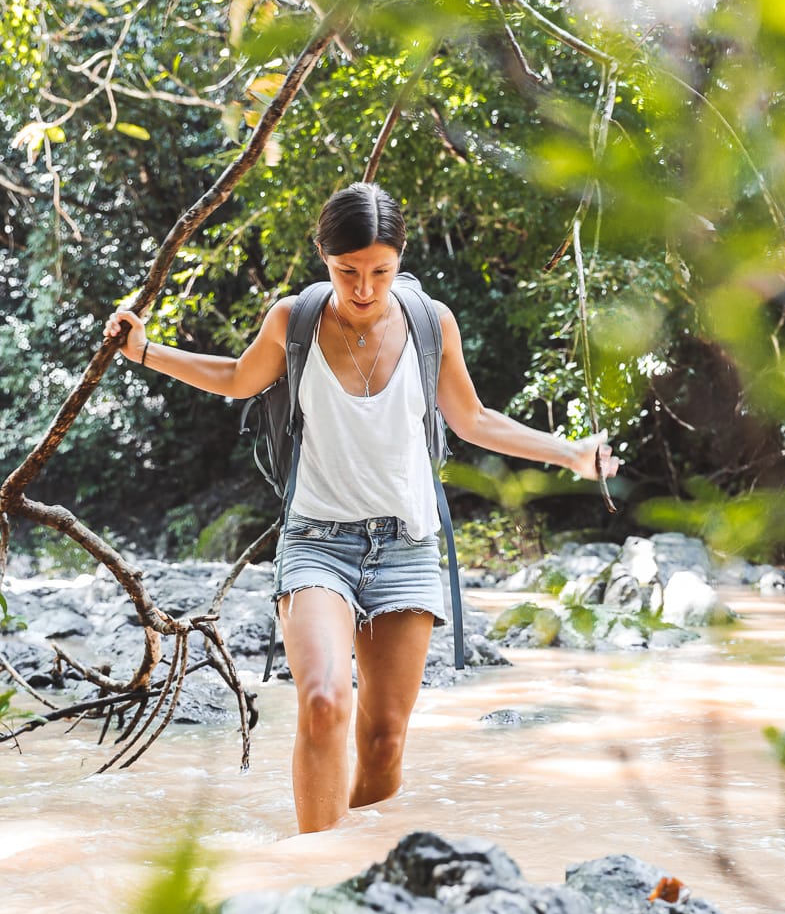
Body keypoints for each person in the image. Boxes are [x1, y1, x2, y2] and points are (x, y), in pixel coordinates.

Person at [104, 182, 620, 832]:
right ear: (324, 257)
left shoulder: (432, 324)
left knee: (383, 741)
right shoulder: (293, 320)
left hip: (406, 549)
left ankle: (359, 872)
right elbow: (237, 378)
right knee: (323, 701)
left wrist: (570, 454)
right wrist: (143, 351)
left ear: (400, 260)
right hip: (316, 543)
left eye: (381, 270)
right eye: (348, 271)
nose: (365, 288)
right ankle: (314, 875)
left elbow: (474, 419)